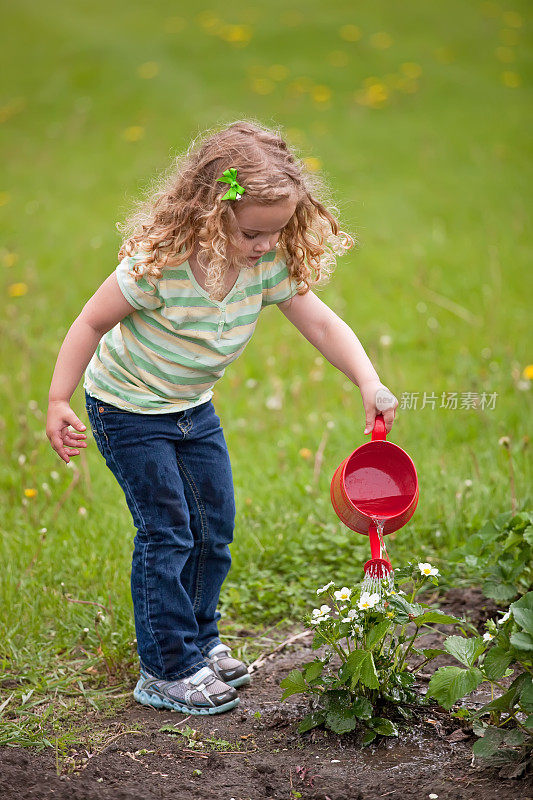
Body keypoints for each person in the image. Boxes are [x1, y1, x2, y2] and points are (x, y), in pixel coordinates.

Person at [46, 120, 398, 716]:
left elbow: (322, 323)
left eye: (277, 231)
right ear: (211, 212)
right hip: (126, 409)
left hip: (192, 409)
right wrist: (59, 399)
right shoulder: (161, 267)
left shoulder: (267, 267)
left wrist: (368, 379)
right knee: (168, 530)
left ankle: (201, 642)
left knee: (214, 526)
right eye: (252, 232)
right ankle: (167, 667)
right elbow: (90, 323)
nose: (265, 244)